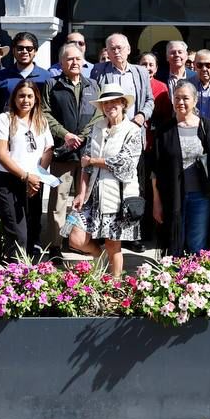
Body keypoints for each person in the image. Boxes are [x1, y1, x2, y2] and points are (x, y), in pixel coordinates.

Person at [65, 85, 145, 277]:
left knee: (113, 243)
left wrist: (94, 161)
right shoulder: (96, 127)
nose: (109, 106)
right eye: (105, 103)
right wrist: (81, 192)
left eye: (114, 101)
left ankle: (115, 285)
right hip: (92, 193)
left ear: (123, 103)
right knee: (75, 238)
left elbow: (125, 164)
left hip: (118, 194)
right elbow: (85, 162)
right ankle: (99, 258)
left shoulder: (132, 130)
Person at [150, 83, 210, 256]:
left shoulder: (206, 126)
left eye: (185, 98)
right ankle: (175, 280)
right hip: (173, 196)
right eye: (177, 98)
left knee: (197, 243)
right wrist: (156, 202)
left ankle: (196, 281)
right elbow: (155, 170)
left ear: (195, 101)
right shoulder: (165, 130)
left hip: (201, 195)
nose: (180, 102)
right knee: (176, 244)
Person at [42, 43, 101, 252]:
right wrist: (65, 135)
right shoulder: (52, 84)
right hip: (62, 153)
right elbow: (44, 113)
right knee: (58, 201)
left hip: (86, 153)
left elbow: (99, 114)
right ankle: (55, 245)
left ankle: (79, 242)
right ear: (61, 62)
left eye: (78, 58)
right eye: (70, 59)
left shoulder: (93, 85)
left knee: (84, 201)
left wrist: (83, 137)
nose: (75, 62)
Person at [0, 79, 54, 261]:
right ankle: (14, 277)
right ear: (14, 98)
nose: (25, 100)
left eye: (30, 96)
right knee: (18, 234)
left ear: (36, 99)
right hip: (8, 181)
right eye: (21, 96)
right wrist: (26, 177)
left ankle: (29, 278)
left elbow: (48, 149)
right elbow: (1, 154)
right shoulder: (5, 119)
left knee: (33, 232)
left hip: (33, 182)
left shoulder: (41, 121)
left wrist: (37, 176)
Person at [0, 32, 53, 126]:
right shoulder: (2, 75)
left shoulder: (46, 76)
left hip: (37, 130)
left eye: (29, 48)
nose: (24, 51)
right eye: (20, 48)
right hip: (7, 130)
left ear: (35, 51)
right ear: (13, 51)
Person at [90, 34, 154, 126]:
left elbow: (150, 100)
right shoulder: (99, 71)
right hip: (108, 129)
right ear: (107, 52)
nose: (116, 52)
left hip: (135, 127)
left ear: (128, 49)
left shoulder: (141, 72)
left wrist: (142, 115)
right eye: (112, 49)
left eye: (119, 48)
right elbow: (94, 99)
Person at [139, 52, 173, 129]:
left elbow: (166, 114)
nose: (147, 68)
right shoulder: (131, 84)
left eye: (151, 65)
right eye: (144, 64)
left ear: (156, 69)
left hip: (153, 132)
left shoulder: (162, 87)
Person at [189, 48, 210, 125]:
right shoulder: (187, 85)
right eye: (200, 65)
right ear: (194, 65)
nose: (204, 69)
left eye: (208, 65)